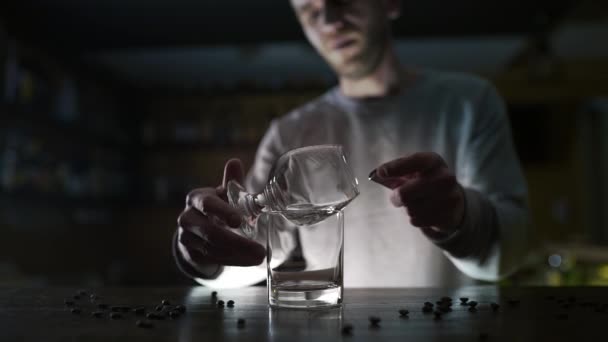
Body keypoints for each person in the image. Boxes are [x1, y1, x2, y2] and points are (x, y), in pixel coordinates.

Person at [174, 0, 530, 288]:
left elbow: (511, 252)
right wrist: (205, 251)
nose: (329, 18)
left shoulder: (469, 103)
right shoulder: (289, 133)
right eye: (310, 11)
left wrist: (460, 218)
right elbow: (254, 252)